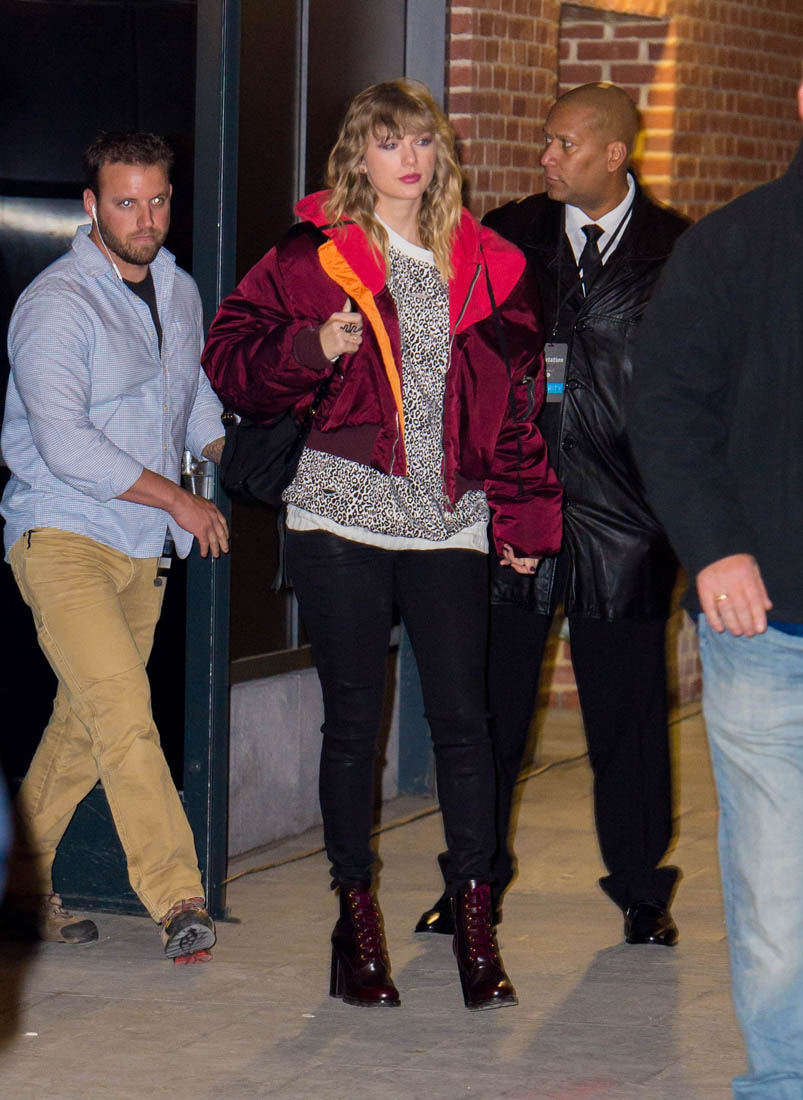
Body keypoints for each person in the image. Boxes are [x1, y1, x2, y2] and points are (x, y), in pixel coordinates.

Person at [203, 78, 562, 1010]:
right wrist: (309, 348)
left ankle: (475, 925)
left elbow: (516, 408)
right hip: (339, 514)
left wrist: (523, 520)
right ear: (357, 156)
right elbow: (228, 358)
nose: (410, 158)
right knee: (355, 722)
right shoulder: (313, 256)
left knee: (465, 723)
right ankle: (355, 923)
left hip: (448, 521)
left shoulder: (490, 263)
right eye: (390, 141)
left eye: (423, 141)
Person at [417, 82, 688, 946]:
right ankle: (471, 881)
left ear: (614, 154)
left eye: (564, 144)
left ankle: (641, 890)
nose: (546, 157)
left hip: (627, 516)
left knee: (627, 716)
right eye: (545, 140)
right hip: (514, 502)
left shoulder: (676, 249)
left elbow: (697, 387)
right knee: (489, 706)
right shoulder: (507, 234)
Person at [0, 131, 229, 965]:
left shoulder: (178, 289)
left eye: (157, 200)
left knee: (83, 724)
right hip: (62, 535)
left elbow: (192, 403)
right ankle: (177, 899)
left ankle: (17, 893)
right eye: (126, 203)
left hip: (141, 547)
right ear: (91, 205)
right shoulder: (56, 305)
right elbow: (67, 445)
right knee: (126, 713)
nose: (145, 219)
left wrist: (237, 461)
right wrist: (179, 498)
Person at [629, 79, 803, 1100]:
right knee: (776, 887)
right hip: (764, 630)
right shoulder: (731, 246)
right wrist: (715, 548)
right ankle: (784, 1081)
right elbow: (665, 409)